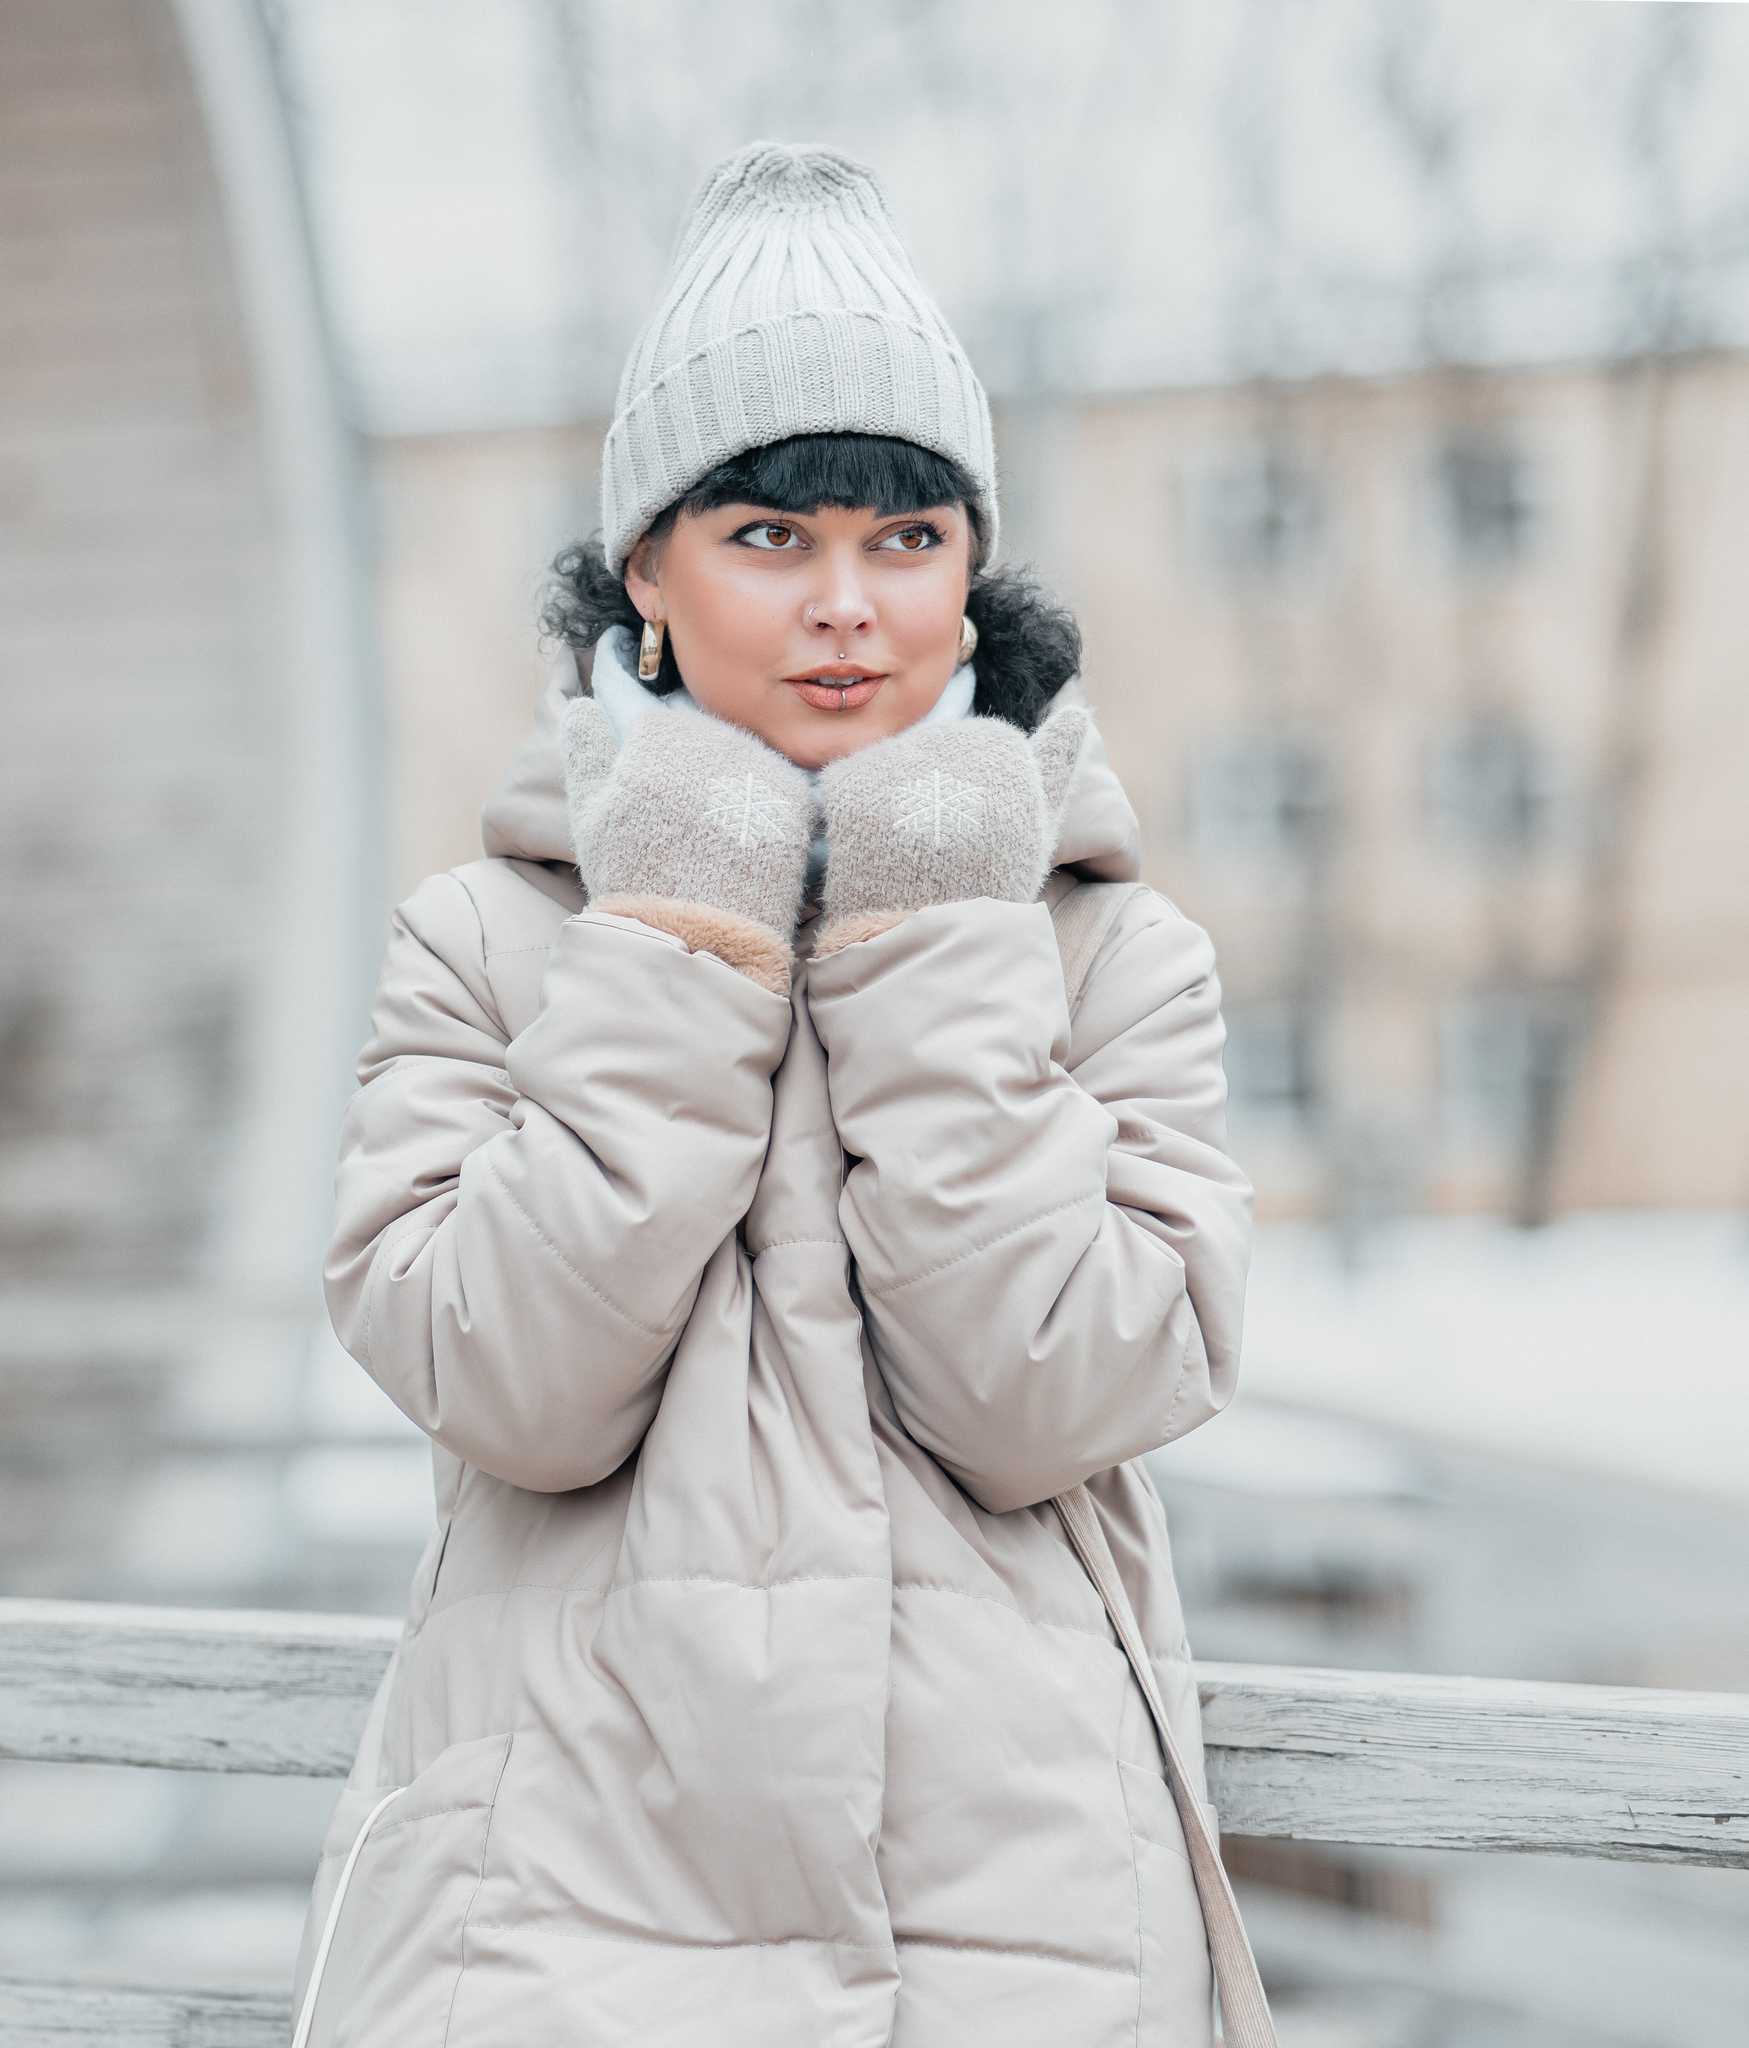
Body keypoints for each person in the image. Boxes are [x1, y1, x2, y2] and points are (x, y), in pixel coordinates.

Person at [293, 142, 1266, 2048]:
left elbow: (1051, 1395)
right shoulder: (486, 943)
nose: (848, 606)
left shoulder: (1110, 956)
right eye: (769, 538)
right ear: (642, 574)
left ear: (974, 577)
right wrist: (676, 930)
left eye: (905, 541)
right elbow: (512, 1387)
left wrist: (925, 930)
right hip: (554, 1914)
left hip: (1015, 1926)